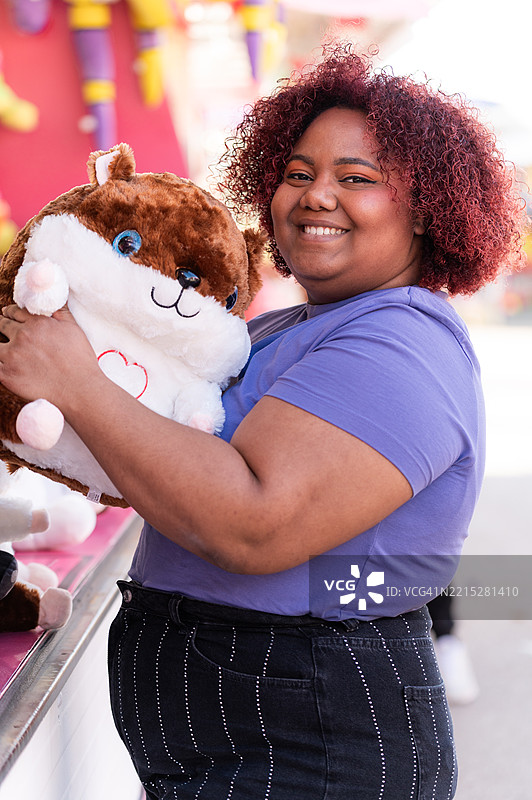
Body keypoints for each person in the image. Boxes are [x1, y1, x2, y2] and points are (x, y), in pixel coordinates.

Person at [0, 43, 525, 799]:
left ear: (427, 208)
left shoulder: (400, 339)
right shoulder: (295, 327)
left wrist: (77, 383)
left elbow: (254, 525)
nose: (315, 195)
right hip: (251, 733)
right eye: (298, 173)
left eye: (358, 179)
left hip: (309, 738)